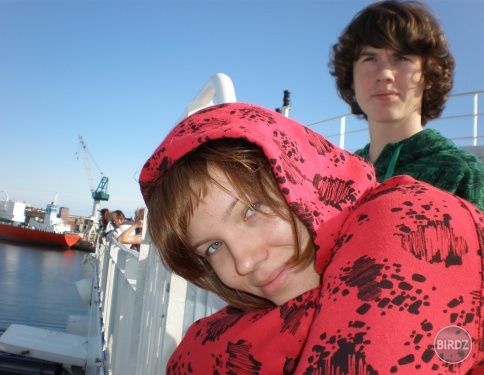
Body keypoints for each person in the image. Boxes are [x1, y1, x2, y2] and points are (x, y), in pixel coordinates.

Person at [139, 102, 484, 373]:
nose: (243, 262)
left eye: (251, 210)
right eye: (213, 247)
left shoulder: (414, 223)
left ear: (303, 178)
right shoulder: (242, 332)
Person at [329, 0, 484, 211]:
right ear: (351, 77)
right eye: (369, 59)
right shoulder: (340, 175)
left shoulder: (463, 174)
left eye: (401, 57)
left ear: (428, 75)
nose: (384, 74)